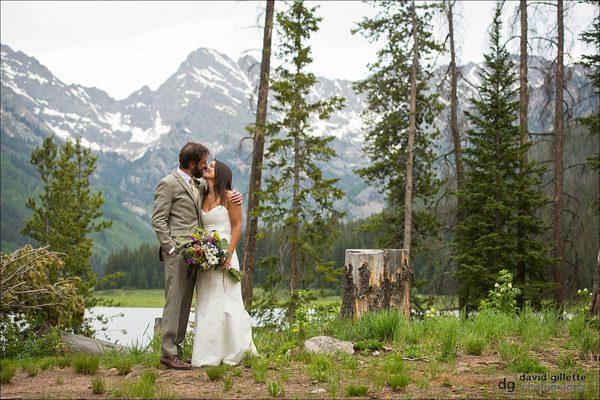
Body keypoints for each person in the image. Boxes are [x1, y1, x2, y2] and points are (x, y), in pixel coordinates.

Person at [150, 142, 242, 370]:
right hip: (176, 253)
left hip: (196, 254)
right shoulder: (168, 183)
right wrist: (170, 248)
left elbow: (220, 189)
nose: (205, 166)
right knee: (174, 301)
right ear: (192, 164)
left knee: (186, 302)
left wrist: (234, 192)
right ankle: (168, 352)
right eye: (202, 163)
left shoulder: (199, 184)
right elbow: (158, 220)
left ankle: (176, 351)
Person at [191, 159, 258, 366]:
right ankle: (207, 355)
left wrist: (228, 254)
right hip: (206, 255)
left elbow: (237, 226)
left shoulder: (230, 197)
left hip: (226, 252)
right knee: (207, 300)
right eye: (207, 165)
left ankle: (235, 350)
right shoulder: (202, 194)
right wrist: (202, 250)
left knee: (228, 300)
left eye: (211, 166)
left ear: (220, 174)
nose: (207, 167)